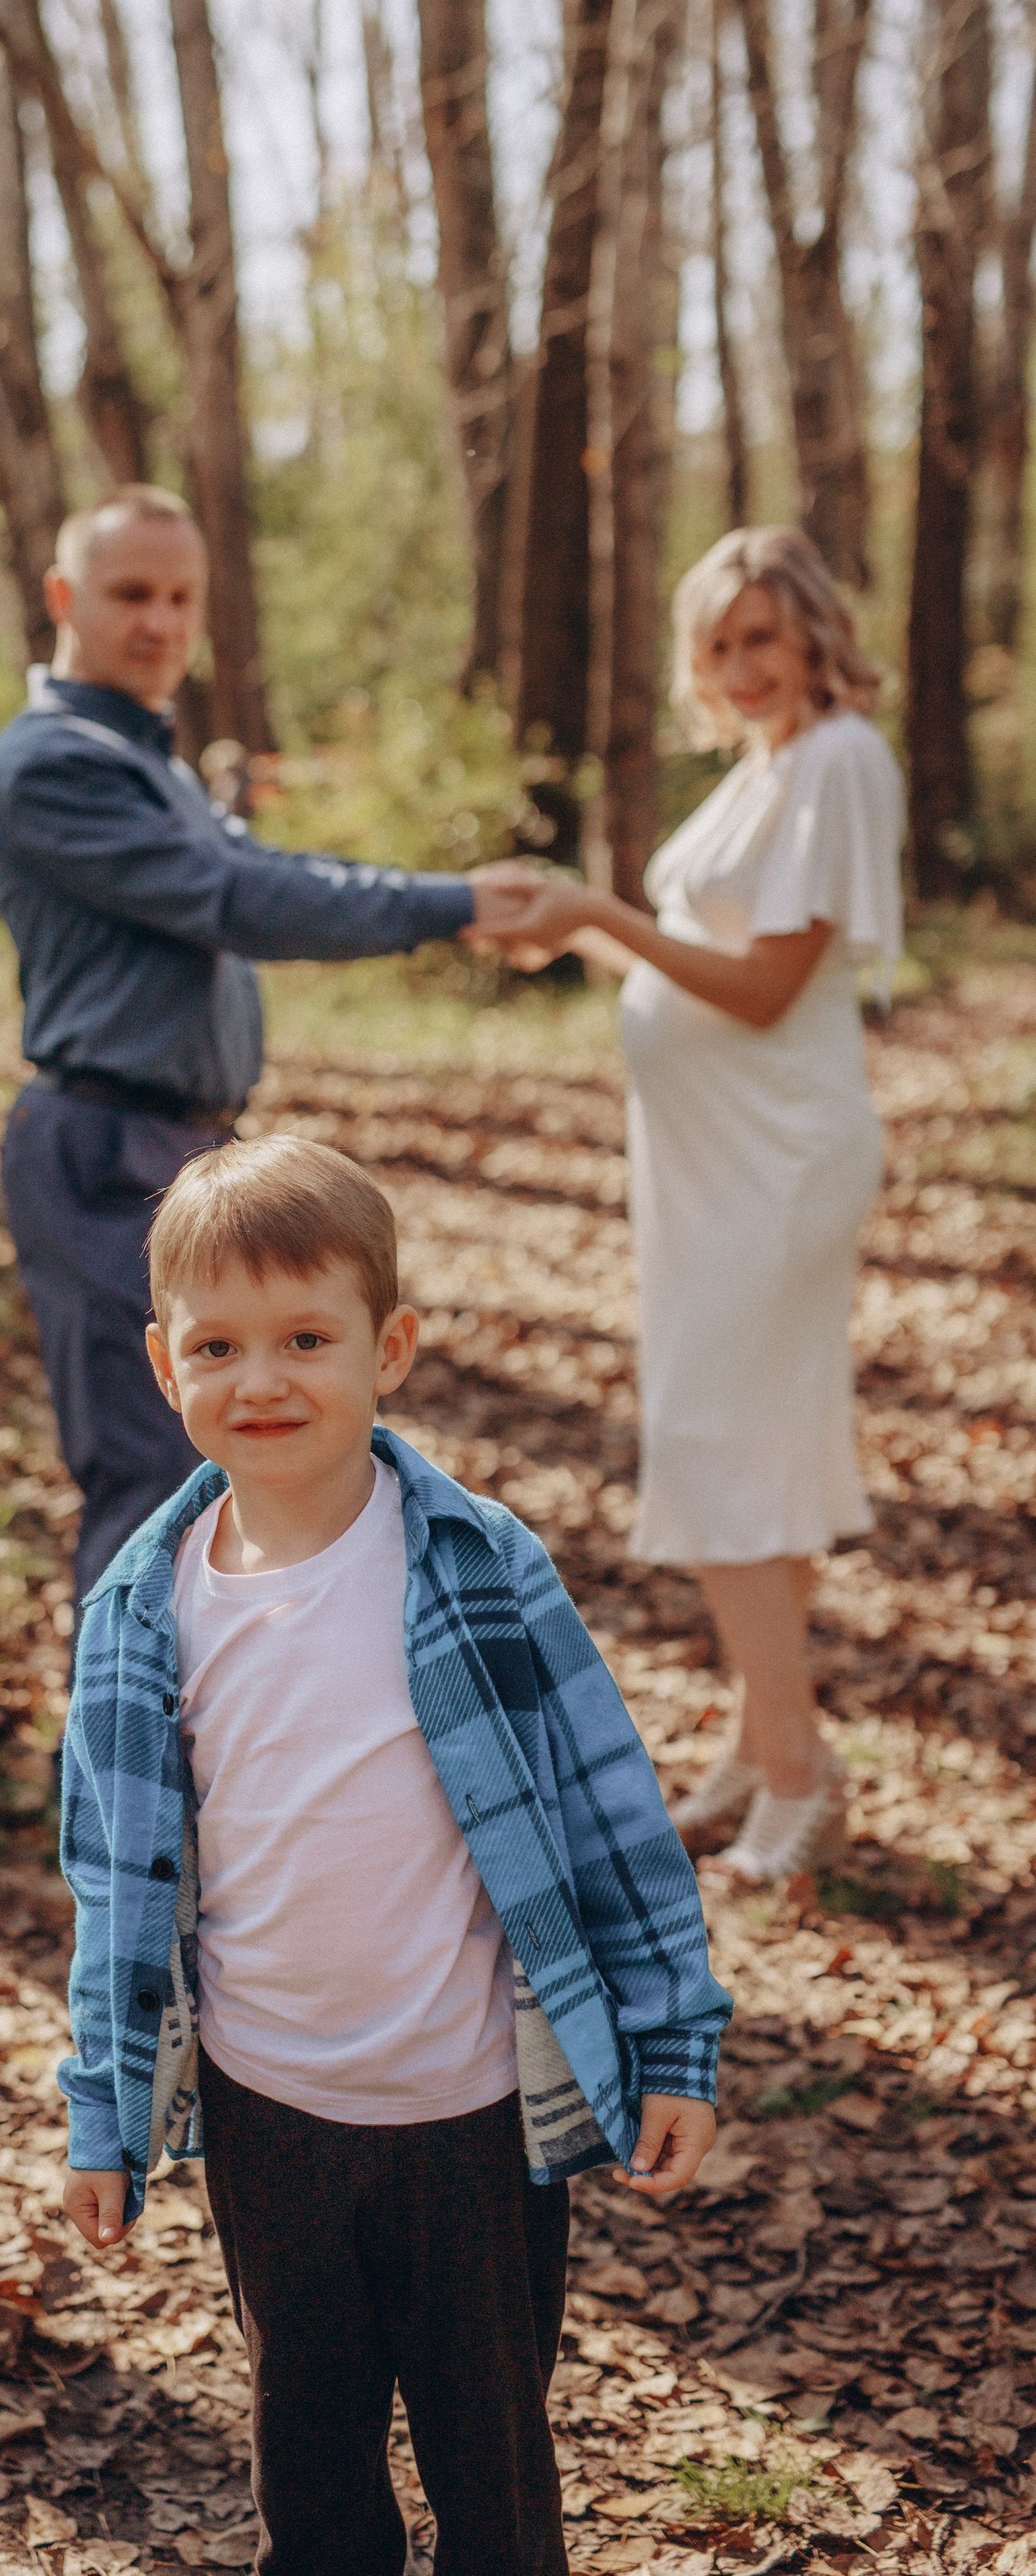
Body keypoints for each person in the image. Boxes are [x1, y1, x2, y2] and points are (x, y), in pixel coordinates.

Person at [56, 1135, 728, 2576]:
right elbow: (113, 1888)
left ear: (391, 1349)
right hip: (268, 2111)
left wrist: (674, 2040)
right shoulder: (140, 1614)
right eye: (218, 1347)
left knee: (492, 2460)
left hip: (470, 2111)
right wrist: (102, 2114)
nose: (262, 1380)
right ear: (165, 1369)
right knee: (307, 2463)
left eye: (307, 1339)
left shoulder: (480, 1566)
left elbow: (607, 1809)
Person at [0, 483, 540, 1603]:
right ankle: (117, 1725)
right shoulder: (53, 764)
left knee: (222, 1489)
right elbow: (238, 898)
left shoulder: (152, 762)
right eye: (132, 593)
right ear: (63, 598)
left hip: (180, 1150)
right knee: (150, 1486)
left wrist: (458, 900)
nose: (161, 622)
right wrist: (458, 903)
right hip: (102, 1152)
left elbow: (264, 874)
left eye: (182, 598)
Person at [476, 527, 905, 1886]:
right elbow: (696, 960)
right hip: (709, 1159)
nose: (739, 665)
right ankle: (758, 1738)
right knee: (750, 1447)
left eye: (760, 637)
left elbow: (766, 987)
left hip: (776, 1158)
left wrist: (599, 913)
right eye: (716, 644)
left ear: (815, 632)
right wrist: (574, 928)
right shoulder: (762, 769)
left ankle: (802, 1776)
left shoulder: (838, 760)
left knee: (720, 1447)